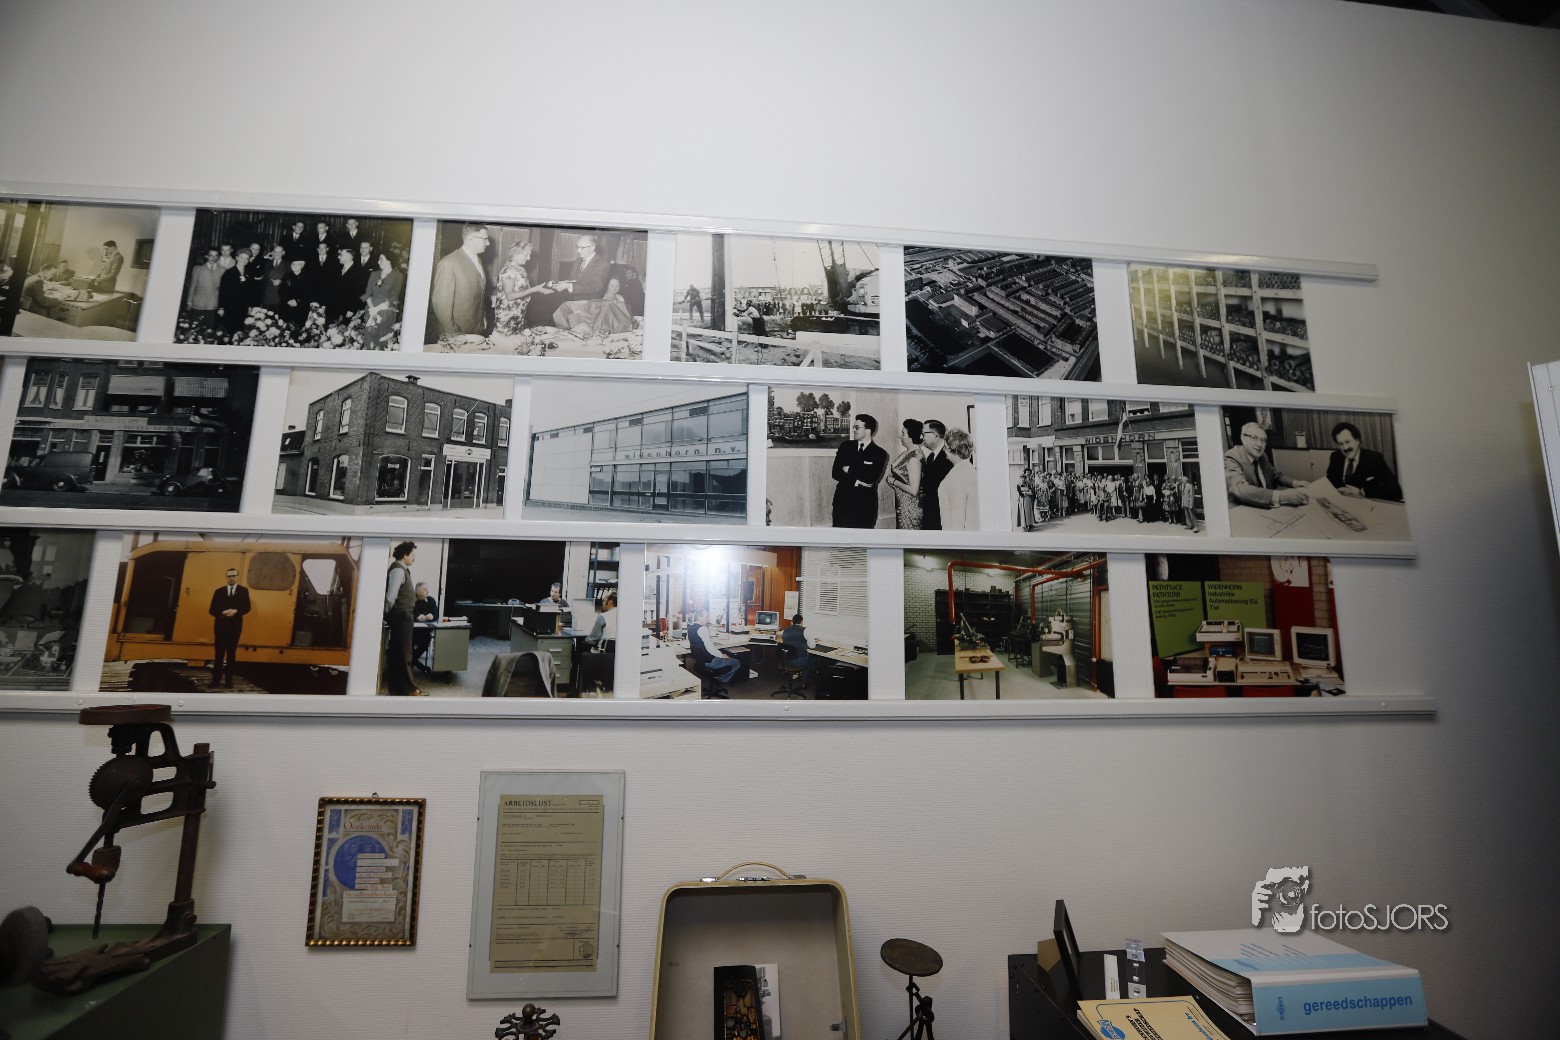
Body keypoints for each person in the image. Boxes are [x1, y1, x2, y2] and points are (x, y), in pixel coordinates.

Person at [1225, 422, 1309, 508]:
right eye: (1254, 438)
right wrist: (1281, 496)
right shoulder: (1232, 457)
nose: (1259, 444)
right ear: (1243, 438)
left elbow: (1276, 475)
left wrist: (1294, 483)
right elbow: (1240, 488)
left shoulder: (1263, 456)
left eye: (1263, 440)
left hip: (1265, 507)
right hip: (1244, 509)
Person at [430, 223, 490, 338]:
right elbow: (441, 304)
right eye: (485, 239)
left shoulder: (478, 260)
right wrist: (453, 333)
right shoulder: (448, 263)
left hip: (476, 329)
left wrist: (482, 319)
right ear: (471, 238)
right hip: (457, 333)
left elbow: (480, 296)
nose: (488, 243)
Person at [830, 412, 889, 528]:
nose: (853, 430)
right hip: (842, 504)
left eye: (857, 427)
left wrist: (849, 469)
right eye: (854, 427)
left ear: (868, 431)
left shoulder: (880, 453)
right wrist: (858, 479)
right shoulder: (845, 446)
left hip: (865, 507)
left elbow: (871, 479)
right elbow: (835, 473)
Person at [383, 541, 424, 696]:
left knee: (397, 653)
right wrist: (385, 614)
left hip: (401, 616)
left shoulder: (400, 569)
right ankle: (410, 689)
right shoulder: (398, 570)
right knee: (405, 654)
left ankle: (396, 689)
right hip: (402, 617)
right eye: (412, 555)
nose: (414, 558)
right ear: (405, 555)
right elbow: (390, 597)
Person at [1325, 421, 1402, 500]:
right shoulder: (1335, 457)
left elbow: (1395, 490)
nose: (1345, 448)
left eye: (1347, 442)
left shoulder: (1374, 458)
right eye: (1340, 444)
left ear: (1357, 441)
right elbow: (1329, 484)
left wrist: (1361, 492)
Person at [549, 234, 612, 325]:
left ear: (592, 247)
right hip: (572, 304)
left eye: (582, 247)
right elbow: (573, 280)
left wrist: (568, 285)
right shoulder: (578, 261)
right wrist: (562, 283)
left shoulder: (602, 264)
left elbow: (595, 286)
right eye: (577, 247)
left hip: (588, 309)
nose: (578, 250)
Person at [491, 241, 549, 335]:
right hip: (508, 316)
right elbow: (510, 295)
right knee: (507, 342)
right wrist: (535, 289)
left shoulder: (520, 269)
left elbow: (522, 290)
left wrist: (539, 289)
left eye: (529, 255)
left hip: (519, 314)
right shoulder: (509, 270)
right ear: (515, 253)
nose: (528, 258)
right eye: (526, 255)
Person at [207, 566, 251, 689]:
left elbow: (247, 607)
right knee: (219, 654)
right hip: (220, 627)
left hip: (235, 627)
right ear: (226, 578)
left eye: (233, 576)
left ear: (237, 577)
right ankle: (215, 681)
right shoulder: (219, 591)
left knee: (231, 655)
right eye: (229, 576)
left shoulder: (243, 591)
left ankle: (228, 682)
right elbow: (212, 610)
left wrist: (237, 611)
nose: (231, 578)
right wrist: (222, 613)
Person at [884, 418, 924, 530]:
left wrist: (894, 482)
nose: (900, 436)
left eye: (903, 433)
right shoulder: (908, 453)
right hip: (903, 505)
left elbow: (914, 490)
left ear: (911, 437)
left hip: (910, 509)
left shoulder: (914, 458)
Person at [938, 428, 980, 530]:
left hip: (956, 536)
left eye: (945, 447)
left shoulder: (957, 477)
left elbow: (956, 521)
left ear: (953, 449)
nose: (943, 450)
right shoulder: (970, 471)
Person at [361, 252, 404, 350]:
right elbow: (367, 294)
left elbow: (394, 297)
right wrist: (372, 309)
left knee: (382, 343)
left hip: (386, 312)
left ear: (389, 261)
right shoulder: (374, 274)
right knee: (369, 341)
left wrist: (377, 309)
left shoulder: (397, 276)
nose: (378, 262)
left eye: (381, 259)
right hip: (370, 311)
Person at [919, 420, 954, 531]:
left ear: (935, 435)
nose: (921, 437)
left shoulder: (951, 456)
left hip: (943, 518)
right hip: (931, 515)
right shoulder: (930, 457)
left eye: (923, 433)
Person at [690, 611, 742, 685]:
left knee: (723, 655)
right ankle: (720, 680)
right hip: (710, 661)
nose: (708, 619)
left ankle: (717, 677)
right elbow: (710, 649)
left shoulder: (691, 627)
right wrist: (722, 655)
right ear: (699, 617)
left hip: (700, 660)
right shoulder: (703, 629)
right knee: (736, 662)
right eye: (706, 617)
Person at [218, 249, 257, 336]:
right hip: (230, 307)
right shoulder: (229, 272)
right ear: (236, 258)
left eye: (246, 258)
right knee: (230, 330)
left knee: (241, 331)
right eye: (242, 258)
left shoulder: (249, 273)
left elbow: (251, 291)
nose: (244, 260)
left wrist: (250, 305)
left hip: (243, 307)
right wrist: (221, 307)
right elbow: (223, 291)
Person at [186, 249, 223, 332]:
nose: (213, 258)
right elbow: (192, 286)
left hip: (213, 304)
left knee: (210, 330)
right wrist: (189, 302)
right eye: (211, 255)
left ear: (218, 257)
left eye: (216, 255)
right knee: (195, 329)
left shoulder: (223, 270)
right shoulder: (198, 269)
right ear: (207, 256)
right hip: (198, 303)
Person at [331, 246, 369, 325]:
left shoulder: (358, 272)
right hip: (335, 308)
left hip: (348, 310)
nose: (338, 257)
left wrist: (352, 309)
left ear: (348, 257)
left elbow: (359, 292)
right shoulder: (337, 268)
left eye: (341, 255)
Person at [779, 612, 813, 688]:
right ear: (801, 622)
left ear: (792, 622)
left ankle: (794, 674)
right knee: (810, 658)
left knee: (807, 657)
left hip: (786, 660)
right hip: (799, 661)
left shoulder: (785, 630)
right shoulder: (805, 630)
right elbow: (812, 646)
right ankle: (804, 683)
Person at [411, 581, 438, 671]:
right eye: (425, 589)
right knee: (409, 642)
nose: (428, 591)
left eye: (428, 589)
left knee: (426, 641)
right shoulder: (412, 601)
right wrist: (417, 618)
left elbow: (436, 614)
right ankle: (418, 665)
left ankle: (412, 661)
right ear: (418, 592)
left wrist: (432, 616)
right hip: (412, 631)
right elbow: (408, 614)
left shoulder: (431, 600)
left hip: (425, 631)